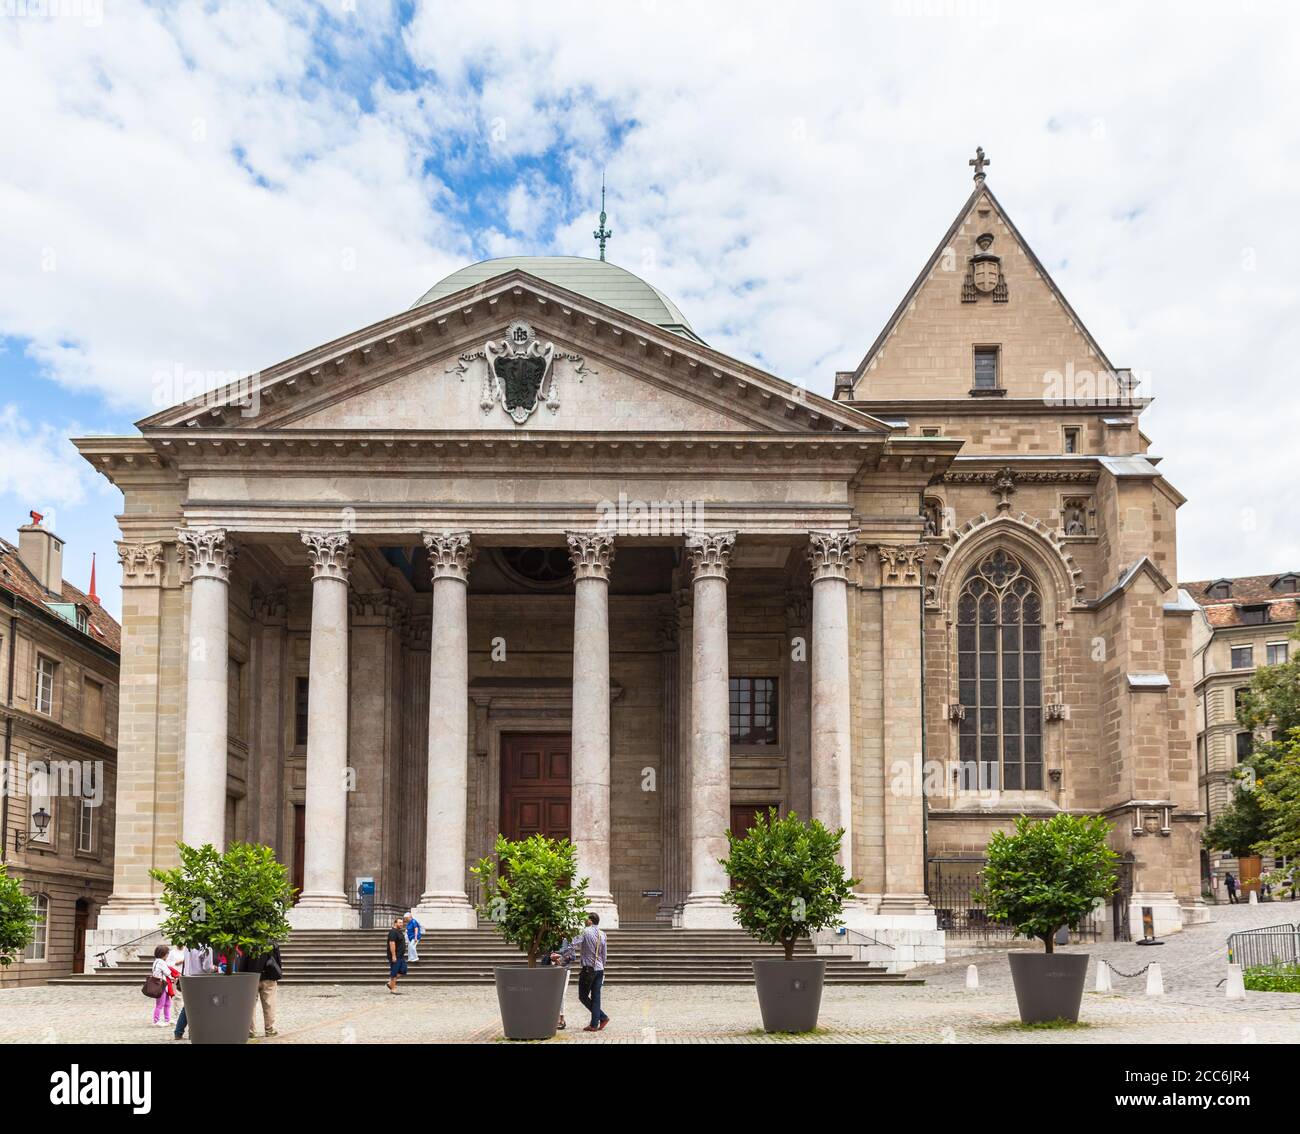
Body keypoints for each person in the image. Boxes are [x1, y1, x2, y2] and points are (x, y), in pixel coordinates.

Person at [577, 912, 610, 1032]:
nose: (585, 921)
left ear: (590, 921)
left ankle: (602, 1017)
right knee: (596, 997)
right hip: (600, 969)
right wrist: (602, 967)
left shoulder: (585, 931)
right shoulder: (603, 934)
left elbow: (573, 943)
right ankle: (595, 1023)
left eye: (586, 919)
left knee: (583, 996)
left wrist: (563, 953)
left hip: (588, 969)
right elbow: (604, 954)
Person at [173, 945, 213, 1040]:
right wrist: (214, 968)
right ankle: (192, 1032)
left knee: (188, 1006)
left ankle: (180, 1032)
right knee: (200, 1007)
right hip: (200, 979)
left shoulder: (189, 943)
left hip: (187, 977)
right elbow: (207, 967)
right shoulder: (206, 946)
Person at [244, 944, 283, 1038]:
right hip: (268, 976)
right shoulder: (272, 943)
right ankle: (270, 1029)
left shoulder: (248, 942)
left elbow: (243, 962)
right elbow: (278, 960)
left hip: (251, 977)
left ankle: (251, 1031)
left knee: (250, 1005)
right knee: (269, 1004)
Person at [544, 935, 576, 1029]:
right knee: (551, 994)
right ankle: (551, 1018)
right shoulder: (550, 938)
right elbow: (544, 953)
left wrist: (560, 958)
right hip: (550, 970)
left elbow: (573, 957)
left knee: (561, 994)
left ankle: (561, 1018)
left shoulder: (568, 940)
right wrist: (551, 957)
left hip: (564, 970)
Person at [150, 945, 178, 1027]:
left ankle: (167, 1019)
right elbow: (167, 972)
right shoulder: (161, 962)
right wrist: (174, 978)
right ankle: (156, 1020)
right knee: (160, 1004)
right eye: (167, 954)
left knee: (167, 1003)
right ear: (164, 954)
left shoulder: (156, 961)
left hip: (162, 985)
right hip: (161, 986)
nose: (167, 956)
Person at [386, 916, 407, 993]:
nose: (402, 924)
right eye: (400, 923)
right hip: (395, 955)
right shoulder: (393, 932)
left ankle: (390, 983)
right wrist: (393, 955)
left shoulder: (399, 931)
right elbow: (392, 944)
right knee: (394, 972)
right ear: (395, 923)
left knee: (403, 970)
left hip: (401, 956)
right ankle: (393, 988)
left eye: (402, 922)